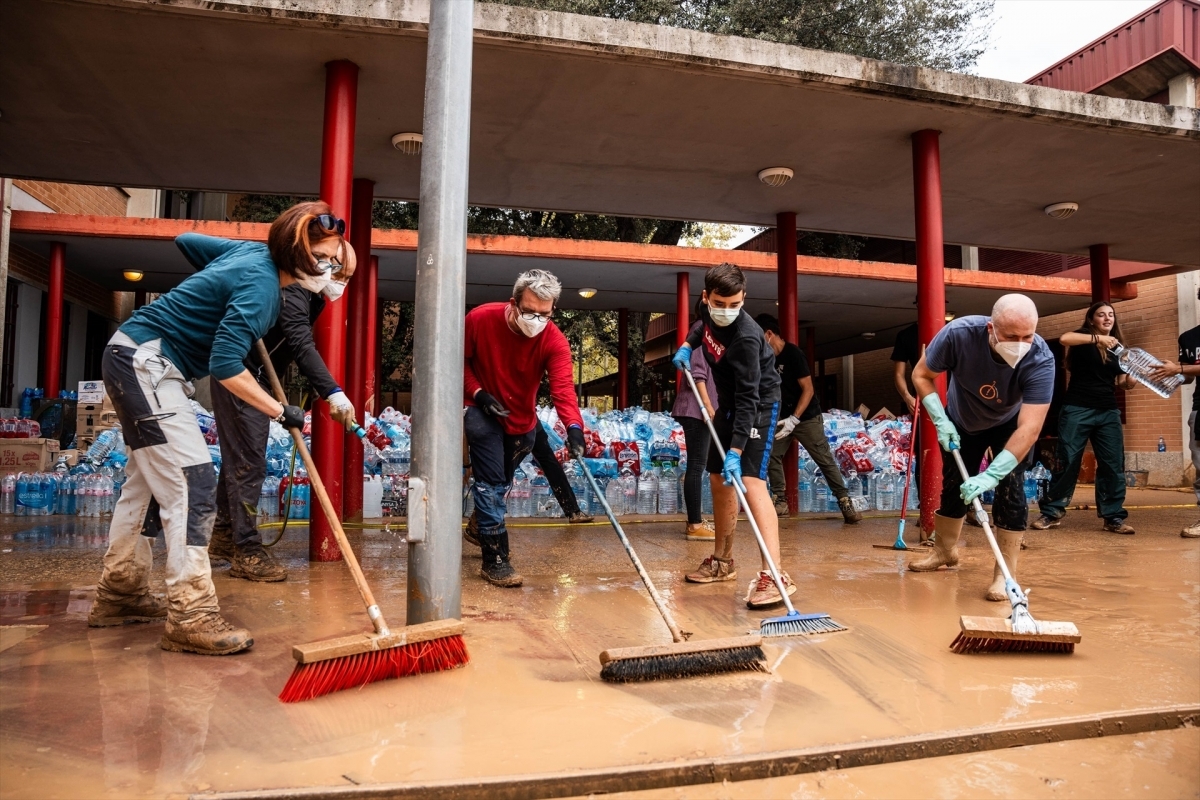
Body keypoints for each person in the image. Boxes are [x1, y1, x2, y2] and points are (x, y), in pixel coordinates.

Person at [87, 203, 323, 655]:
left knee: (149, 488)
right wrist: (280, 410)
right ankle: (191, 614)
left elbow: (187, 242)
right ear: (302, 256)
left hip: (134, 356)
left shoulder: (247, 255)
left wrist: (220, 281)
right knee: (193, 484)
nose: (334, 274)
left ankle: (121, 594)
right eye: (332, 262)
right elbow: (225, 367)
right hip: (148, 364)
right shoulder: (262, 289)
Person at [206, 204, 359, 581]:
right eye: (334, 269)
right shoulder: (294, 295)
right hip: (240, 375)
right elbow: (302, 344)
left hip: (252, 374)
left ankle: (225, 536)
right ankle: (246, 550)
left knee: (240, 459)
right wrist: (333, 392)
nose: (337, 280)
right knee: (249, 463)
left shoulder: (306, 293)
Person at [907, 294, 1054, 602]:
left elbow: (1031, 427)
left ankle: (1005, 573)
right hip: (961, 420)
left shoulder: (1040, 357)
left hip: (1010, 424)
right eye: (1011, 336)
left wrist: (994, 474)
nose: (1020, 343)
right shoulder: (958, 335)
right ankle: (945, 553)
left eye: (1027, 336)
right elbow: (921, 375)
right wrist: (939, 418)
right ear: (991, 328)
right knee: (955, 487)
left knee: (1011, 489)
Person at [673, 263, 795, 609]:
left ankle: (775, 575)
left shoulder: (746, 337)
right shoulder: (707, 311)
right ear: (706, 297)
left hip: (757, 406)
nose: (726, 311)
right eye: (719, 303)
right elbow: (701, 328)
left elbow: (750, 400)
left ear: (743, 300)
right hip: (729, 403)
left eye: (734, 304)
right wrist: (686, 344)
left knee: (750, 480)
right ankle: (723, 562)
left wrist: (737, 450)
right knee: (717, 478)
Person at [462, 269, 586, 587]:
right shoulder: (480, 319)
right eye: (529, 311)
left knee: (500, 485)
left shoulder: (554, 340)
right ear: (514, 303)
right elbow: (456, 361)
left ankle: (479, 528)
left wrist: (573, 427)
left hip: (522, 422)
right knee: (489, 486)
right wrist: (478, 392)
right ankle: (496, 560)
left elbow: (562, 389)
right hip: (482, 410)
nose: (536, 319)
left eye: (544, 313)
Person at [1032, 302, 1136, 534]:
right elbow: (1064, 339)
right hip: (1077, 407)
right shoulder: (1083, 337)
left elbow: (1121, 383)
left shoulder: (1120, 348)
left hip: (1108, 410)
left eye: (1111, 315)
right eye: (1101, 315)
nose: (1107, 318)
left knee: (1113, 464)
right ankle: (1051, 512)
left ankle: (1113, 517)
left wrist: (1131, 379)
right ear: (1092, 319)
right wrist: (1098, 339)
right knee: (1067, 461)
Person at [756, 314, 861, 524]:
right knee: (771, 455)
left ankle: (844, 501)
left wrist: (795, 418)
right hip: (780, 417)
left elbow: (808, 389)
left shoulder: (793, 354)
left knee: (823, 459)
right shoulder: (765, 359)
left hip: (806, 416)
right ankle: (780, 501)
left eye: (758, 337)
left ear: (768, 334)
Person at [1151, 302, 1200, 538]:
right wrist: (1162, 375)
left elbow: (1184, 368)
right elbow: (1187, 377)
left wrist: (1179, 368)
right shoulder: (1188, 338)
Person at [670, 318, 717, 541]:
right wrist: (707, 406)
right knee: (697, 465)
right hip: (696, 410)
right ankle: (695, 524)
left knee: (699, 465)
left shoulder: (712, 333)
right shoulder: (701, 329)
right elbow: (697, 373)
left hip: (703, 409)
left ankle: (695, 520)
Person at [891, 321, 920, 413]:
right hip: (921, 397)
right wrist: (907, 398)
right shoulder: (906, 335)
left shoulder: (952, 329)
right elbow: (899, 374)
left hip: (954, 398)